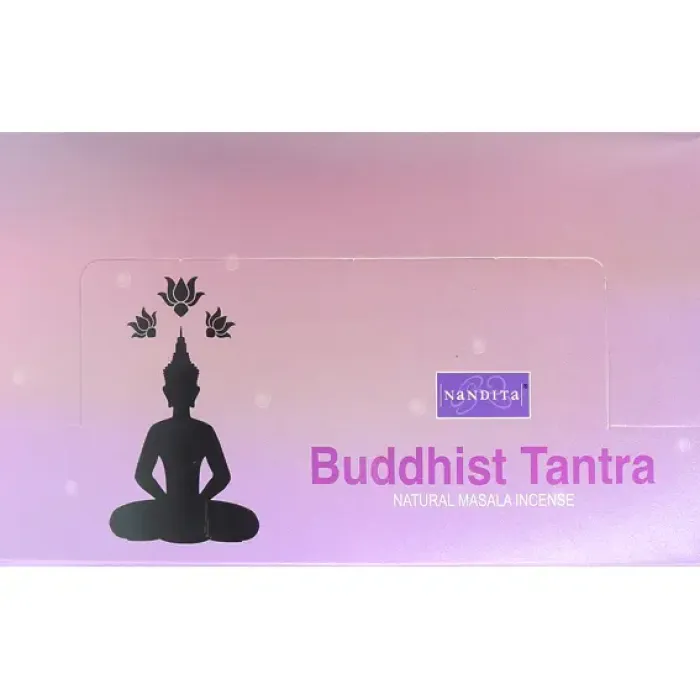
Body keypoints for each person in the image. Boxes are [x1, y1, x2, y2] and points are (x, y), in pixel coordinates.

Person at [109, 330, 260, 544]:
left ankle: (172, 522)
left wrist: (200, 499)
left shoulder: (202, 430)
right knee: (118, 520)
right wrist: (165, 498)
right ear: (167, 392)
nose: (181, 394)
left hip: (182, 508)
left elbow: (222, 476)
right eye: (177, 390)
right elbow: (142, 475)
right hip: (183, 508)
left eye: (185, 390)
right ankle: (190, 522)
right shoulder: (159, 430)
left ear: (195, 392)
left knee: (249, 523)